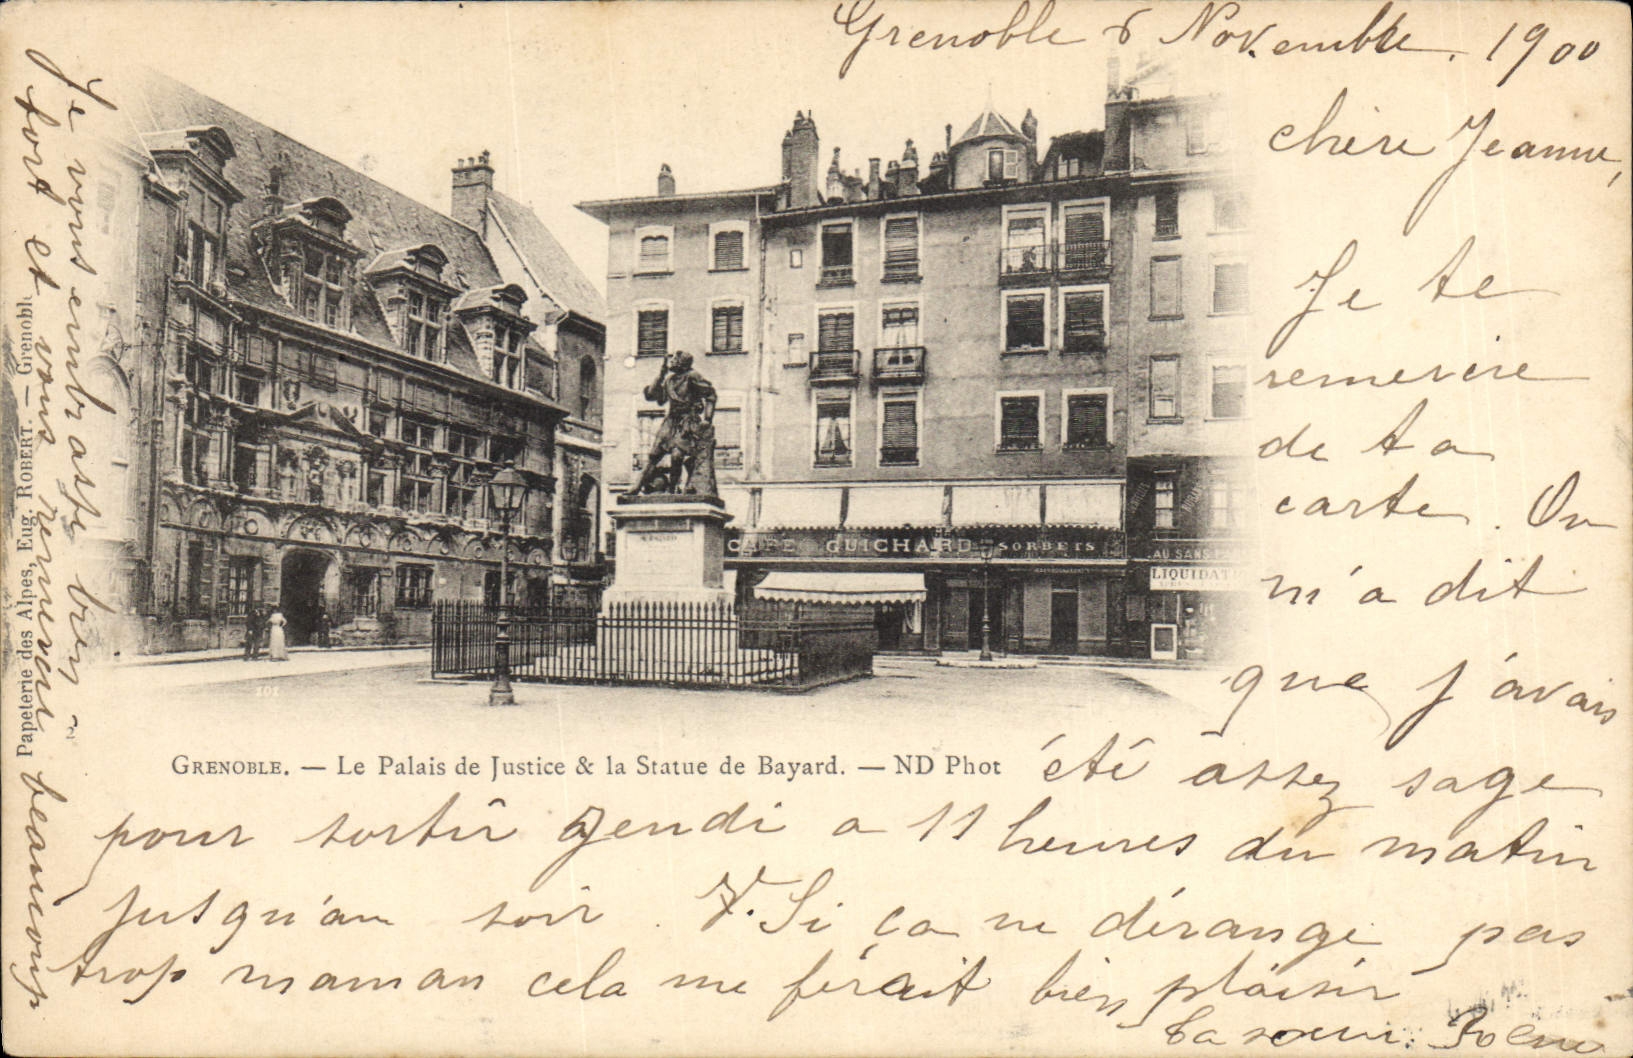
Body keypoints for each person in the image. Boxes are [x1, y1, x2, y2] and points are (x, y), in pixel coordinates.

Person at [630, 350, 718, 497]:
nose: (672, 361)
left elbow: (711, 394)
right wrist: (661, 374)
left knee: (677, 456)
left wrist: (707, 419)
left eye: (675, 359)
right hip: (671, 421)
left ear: (683, 362)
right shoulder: (670, 380)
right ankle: (637, 486)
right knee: (654, 455)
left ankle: (672, 489)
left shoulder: (692, 376)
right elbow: (652, 395)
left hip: (688, 422)